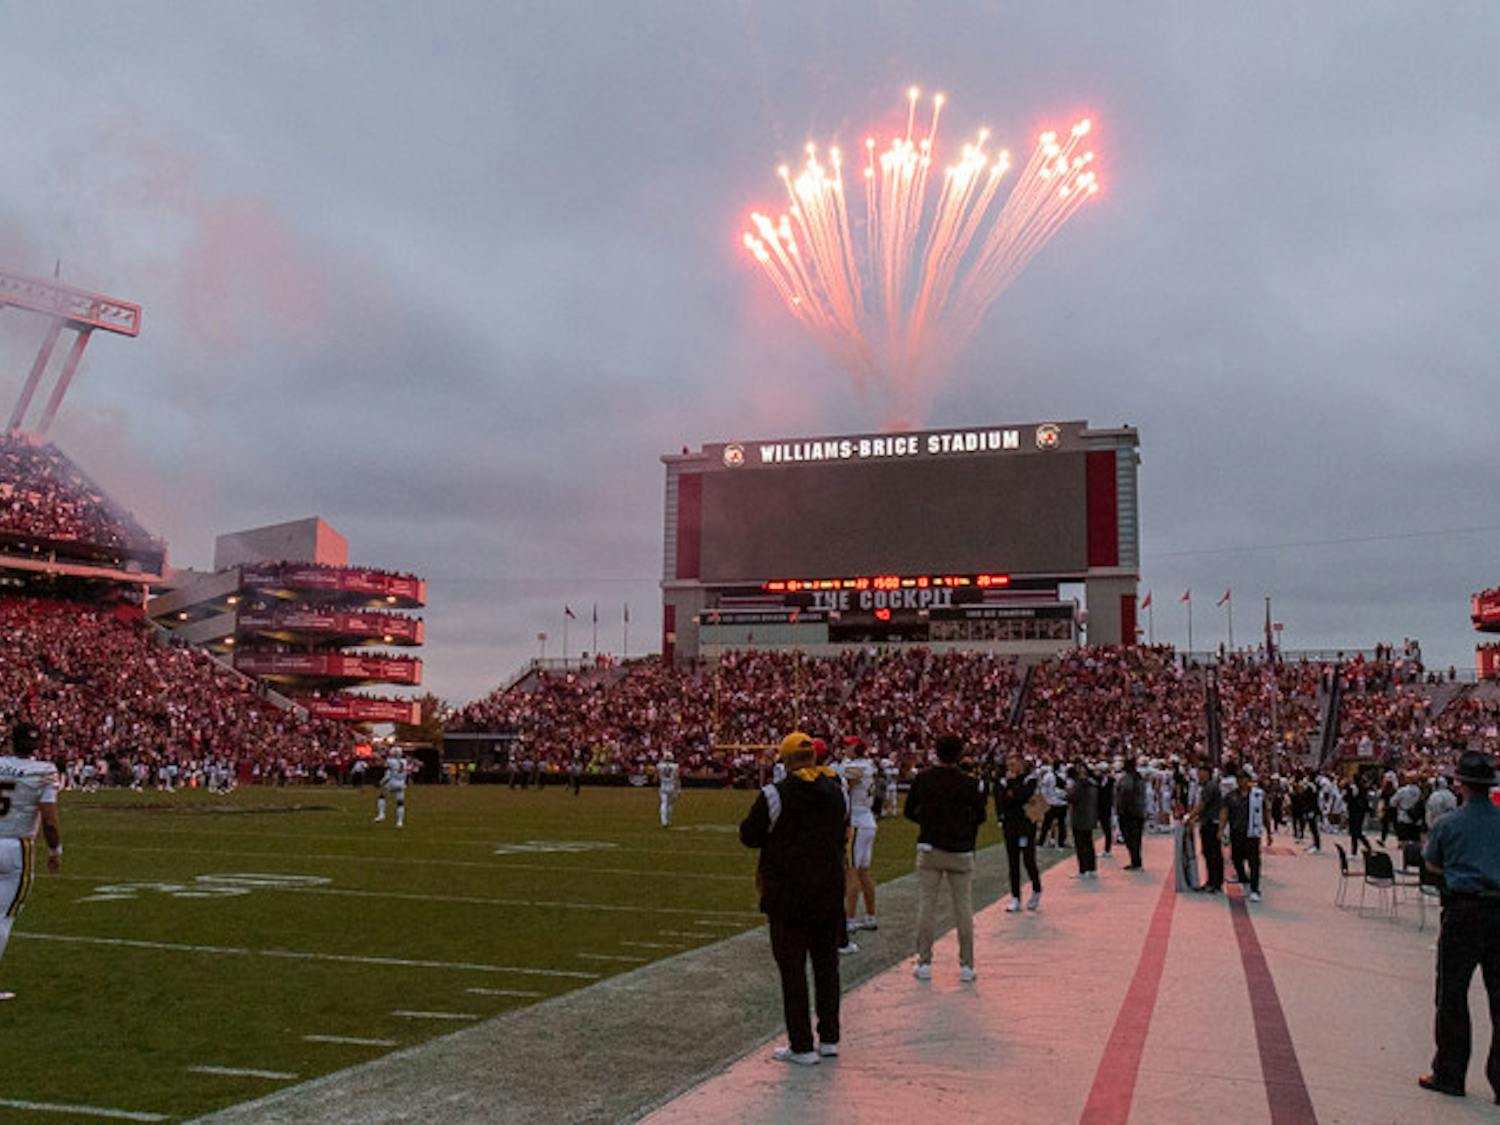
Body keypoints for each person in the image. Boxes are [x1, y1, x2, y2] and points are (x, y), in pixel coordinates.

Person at [739, 732, 848, 1065]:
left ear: (785, 761)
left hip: (788, 895)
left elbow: (750, 835)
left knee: (793, 970)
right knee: (827, 966)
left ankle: (802, 1045)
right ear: (813, 758)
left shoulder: (776, 794)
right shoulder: (836, 791)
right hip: (828, 892)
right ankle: (829, 1037)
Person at [1418, 750, 1500, 1104]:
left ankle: (1450, 1073)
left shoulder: (1447, 824)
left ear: (1461, 784)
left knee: (1452, 994)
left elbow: (1432, 866)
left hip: (1463, 912)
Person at [906, 735, 986, 982]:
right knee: (963, 907)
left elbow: (909, 811)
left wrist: (928, 821)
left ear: (936, 752)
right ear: (960, 754)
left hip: (930, 847)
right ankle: (967, 965)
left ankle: (924, 961)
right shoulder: (969, 783)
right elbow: (980, 815)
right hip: (960, 849)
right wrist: (961, 826)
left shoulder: (924, 779)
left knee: (927, 905)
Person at [0, 722, 63, 1001]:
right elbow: (49, 820)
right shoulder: (44, 771)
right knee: (3, 917)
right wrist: (55, 850)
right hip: (16, 847)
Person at [836, 737, 879, 938]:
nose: (845, 748)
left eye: (848, 745)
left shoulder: (856, 766)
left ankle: (850, 919)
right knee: (863, 872)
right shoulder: (868, 765)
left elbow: (847, 784)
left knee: (851, 872)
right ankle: (871, 916)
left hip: (857, 821)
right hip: (867, 819)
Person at [995, 752, 1043, 912]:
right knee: (1013, 862)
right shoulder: (1003, 781)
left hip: (1026, 825)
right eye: (1008, 764)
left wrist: (1011, 790)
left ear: (1021, 764)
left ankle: (1036, 889)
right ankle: (1015, 897)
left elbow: (1022, 796)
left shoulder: (1030, 779)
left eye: (1013, 764)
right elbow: (1002, 800)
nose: (1010, 767)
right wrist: (1011, 792)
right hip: (1010, 825)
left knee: (1028, 860)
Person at [1224, 766, 1266, 902]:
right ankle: (1243, 879)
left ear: (1248, 780)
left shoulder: (1257, 794)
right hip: (1236, 833)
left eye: (1243, 779)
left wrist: (1269, 831)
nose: (1241, 781)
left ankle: (1255, 889)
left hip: (1252, 833)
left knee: (1254, 863)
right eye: (1239, 779)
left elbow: (1266, 811)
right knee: (1236, 859)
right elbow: (1225, 813)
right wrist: (1222, 829)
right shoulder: (1231, 796)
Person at [1185, 763, 1224, 894]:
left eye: (1201, 773)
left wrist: (1189, 818)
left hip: (1211, 824)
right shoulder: (1209, 786)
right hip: (1208, 821)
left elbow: (1202, 805)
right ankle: (1213, 881)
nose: (1199, 776)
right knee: (1211, 853)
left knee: (1212, 853)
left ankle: (1214, 883)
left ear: (1207, 773)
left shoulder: (1210, 787)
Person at [1115, 757, 1148, 870]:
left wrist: (1122, 809)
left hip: (1129, 812)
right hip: (1139, 811)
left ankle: (1135, 861)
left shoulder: (1128, 778)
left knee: (1130, 838)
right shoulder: (1139, 777)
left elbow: (1126, 794)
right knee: (1136, 839)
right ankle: (1136, 861)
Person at [1068, 761, 1099, 879]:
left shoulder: (1079, 784)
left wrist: (1068, 793)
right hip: (1090, 816)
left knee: (1081, 845)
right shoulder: (1093, 783)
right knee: (1089, 843)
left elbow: (1072, 798)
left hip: (1080, 817)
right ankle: (1091, 868)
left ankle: (1083, 870)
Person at [374, 748, 408, 827]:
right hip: (401, 783)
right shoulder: (404, 761)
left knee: (382, 797)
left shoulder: (391, 761)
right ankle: (399, 822)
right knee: (400, 803)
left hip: (392, 782)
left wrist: (380, 783)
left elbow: (384, 765)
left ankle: (381, 814)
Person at [1345, 774, 1373, 857]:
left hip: (1354, 811)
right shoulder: (1363, 787)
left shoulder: (1353, 788)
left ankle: (1354, 852)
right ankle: (1366, 846)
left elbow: (1348, 798)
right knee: (1357, 832)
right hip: (1360, 811)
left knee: (1355, 832)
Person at [657, 752, 680, 828]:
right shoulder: (675, 766)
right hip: (671, 786)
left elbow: (657, 776)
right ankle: (668, 820)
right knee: (669, 804)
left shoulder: (659, 765)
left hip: (663, 786)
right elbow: (677, 778)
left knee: (663, 803)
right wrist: (678, 789)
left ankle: (664, 821)